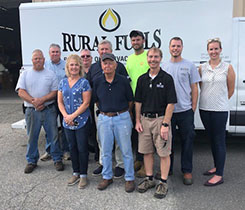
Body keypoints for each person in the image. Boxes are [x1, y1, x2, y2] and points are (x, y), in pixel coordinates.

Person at [135, 47, 177, 199]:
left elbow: (171, 103)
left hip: (160, 120)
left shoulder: (167, 79)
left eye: (156, 57)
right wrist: (137, 120)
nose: (153, 59)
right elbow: (138, 102)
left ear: (160, 58)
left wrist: (165, 124)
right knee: (147, 152)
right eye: (150, 57)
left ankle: (163, 182)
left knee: (164, 153)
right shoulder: (142, 79)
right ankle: (149, 179)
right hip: (145, 120)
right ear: (147, 59)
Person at [15, 49, 64, 173]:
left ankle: (57, 159)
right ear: (32, 61)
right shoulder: (25, 74)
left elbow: (54, 92)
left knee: (53, 136)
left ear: (44, 59)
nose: (38, 60)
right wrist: (34, 101)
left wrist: (41, 100)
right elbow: (20, 91)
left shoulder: (50, 74)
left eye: (40, 58)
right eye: (35, 58)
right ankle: (31, 161)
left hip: (49, 110)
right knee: (32, 137)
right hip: (32, 111)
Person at [161, 37, 201, 185]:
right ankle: (168, 168)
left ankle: (187, 170)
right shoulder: (164, 65)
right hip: (168, 112)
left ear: (182, 47)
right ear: (169, 48)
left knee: (188, 141)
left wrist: (193, 108)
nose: (175, 48)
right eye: (173, 46)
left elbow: (194, 88)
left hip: (185, 110)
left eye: (178, 46)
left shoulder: (189, 65)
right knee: (167, 141)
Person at [93, 53, 135, 193]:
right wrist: (106, 112)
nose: (107, 66)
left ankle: (129, 178)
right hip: (104, 118)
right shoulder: (98, 80)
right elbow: (96, 100)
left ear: (115, 65)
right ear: (101, 65)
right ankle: (107, 177)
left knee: (126, 150)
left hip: (122, 117)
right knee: (105, 151)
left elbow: (130, 100)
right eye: (105, 63)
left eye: (110, 63)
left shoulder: (123, 80)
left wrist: (122, 113)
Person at [88, 40, 129, 178]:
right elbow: (91, 89)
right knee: (101, 138)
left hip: (119, 111)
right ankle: (103, 164)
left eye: (107, 49)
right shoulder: (94, 68)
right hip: (100, 109)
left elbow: (127, 92)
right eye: (102, 49)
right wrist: (99, 106)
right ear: (98, 52)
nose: (104, 51)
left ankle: (119, 164)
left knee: (119, 140)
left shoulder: (121, 67)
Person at [199, 38, 235, 186]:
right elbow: (201, 86)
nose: (213, 52)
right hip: (204, 109)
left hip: (219, 110)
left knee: (219, 141)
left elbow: (230, 89)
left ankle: (219, 174)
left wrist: (220, 101)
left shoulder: (228, 68)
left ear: (220, 50)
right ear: (207, 51)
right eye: (211, 49)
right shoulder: (202, 68)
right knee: (212, 140)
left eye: (216, 49)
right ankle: (216, 166)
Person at [58, 54, 91, 189]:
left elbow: (86, 103)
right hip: (67, 121)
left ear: (80, 67)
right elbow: (60, 101)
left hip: (81, 120)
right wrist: (66, 116)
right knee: (72, 148)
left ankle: (83, 175)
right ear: (67, 67)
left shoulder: (84, 83)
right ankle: (75, 172)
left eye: (76, 65)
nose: (74, 67)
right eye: (71, 65)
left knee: (82, 148)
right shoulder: (62, 82)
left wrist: (73, 116)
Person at [40, 43, 70, 162]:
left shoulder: (66, 65)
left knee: (65, 126)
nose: (55, 54)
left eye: (57, 52)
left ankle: (66, 151)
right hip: (50, 100)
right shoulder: (45, 66)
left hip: (64, 100)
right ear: (49, 53)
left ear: (60, 53)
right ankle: (49, 151)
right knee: (50, 127)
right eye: (53, 52)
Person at [126, 30, 149, 178]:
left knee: (147, 133)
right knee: (136, 132)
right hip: (134, 101)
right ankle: (139, 159)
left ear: (143, 41)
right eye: (133, 40)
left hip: (147, 100)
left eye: (138, 40)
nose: (135, 42)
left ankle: (146, 165)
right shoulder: (129, 59)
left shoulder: (148, 56)